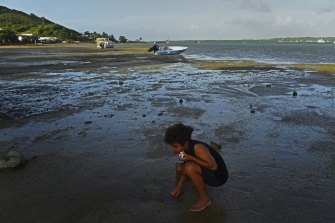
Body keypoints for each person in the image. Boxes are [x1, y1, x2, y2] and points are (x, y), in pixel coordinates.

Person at [164, 123, 229, 212]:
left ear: (185, 143)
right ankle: (195, 179)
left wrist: (190, 158)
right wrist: (179, 186)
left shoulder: (198, 147)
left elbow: (213, 166)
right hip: (207, 169)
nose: (173, 150)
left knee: (190, 167)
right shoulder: (184, 149)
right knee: (179, 168)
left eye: (175, 146)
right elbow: (186, 163)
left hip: (219, 177)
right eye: (172, 146)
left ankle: (205, 199)